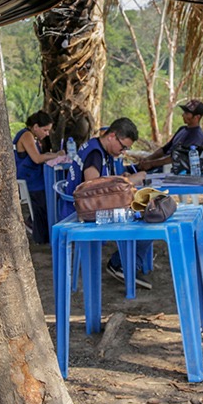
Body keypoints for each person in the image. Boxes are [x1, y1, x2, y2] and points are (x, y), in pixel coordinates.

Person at [62, 118, 150, 287]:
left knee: (146, 211)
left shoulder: (101, 150)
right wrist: (130, 181)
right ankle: (121, 264)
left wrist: (122, 178)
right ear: (112, 136)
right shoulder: (94, 154)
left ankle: (128, 262)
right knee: (146, 219)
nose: (123, 151)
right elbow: (94, 188)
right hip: (83, 212)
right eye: (123, 146)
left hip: (88, 208)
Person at [13, 111, 65, 244]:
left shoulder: (32, 137)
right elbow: (36, 159)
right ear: (35, 127)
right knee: (48, 199)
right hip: (30, 180)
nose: (47, 134)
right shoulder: (26, 135)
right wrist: (56, 155)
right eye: (45, 130)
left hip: (35, 177)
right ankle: (38, 230)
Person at [134, 99, 203, 174]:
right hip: (159, 165)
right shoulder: (182, 129)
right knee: (130, 169)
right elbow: (165, 149)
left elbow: (178, 158)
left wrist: (151, 163)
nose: (183, 115)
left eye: (187, 113)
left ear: (197, 117)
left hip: (170, 170)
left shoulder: (196, 136)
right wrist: (148, 159)